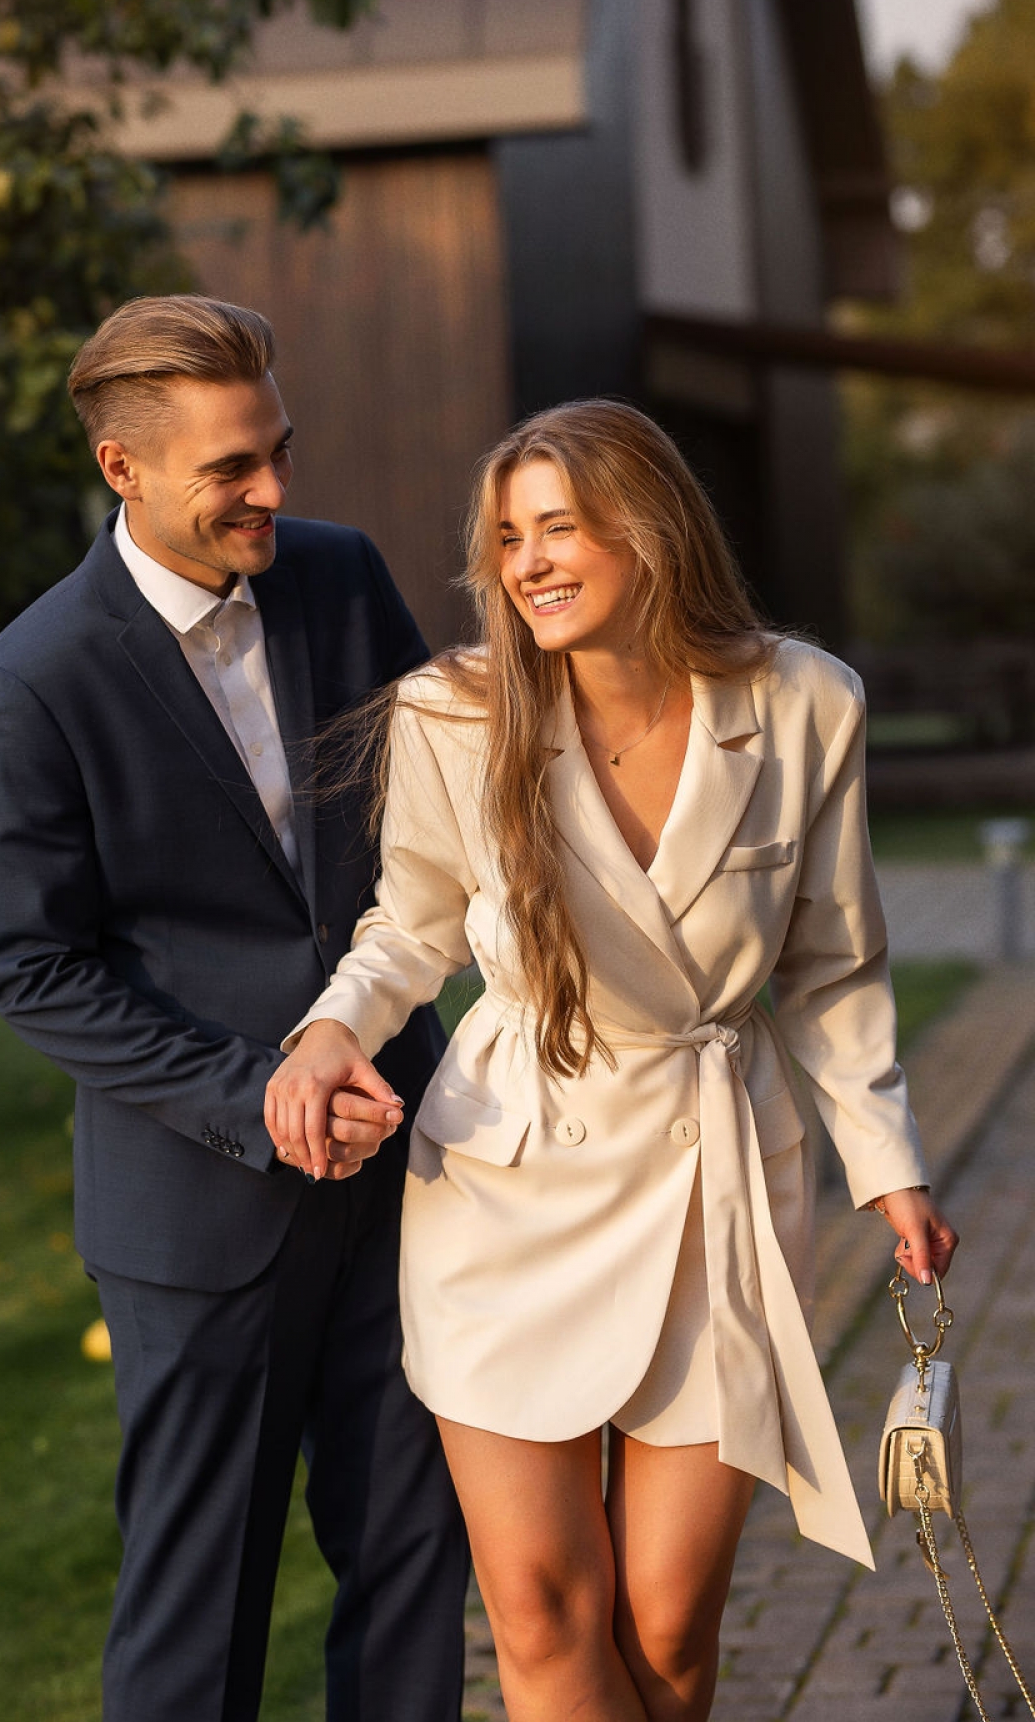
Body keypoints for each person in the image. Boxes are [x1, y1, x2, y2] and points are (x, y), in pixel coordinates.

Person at [267, 398, 959, 1722]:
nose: (524, 563)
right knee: (537, 1614)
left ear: (650, 534)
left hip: (718, 1198)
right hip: (507, 1200)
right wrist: (327, 1032)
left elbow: (833, 963)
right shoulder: (454, 715)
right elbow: (405, 929)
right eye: (508, 538)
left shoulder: (805, 703)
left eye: (559, 529)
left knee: (668, 1627)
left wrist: (889, 1167)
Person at [0, 294, 468, 1722]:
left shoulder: (345, 581)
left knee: (419, 1567)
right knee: (198, 1618)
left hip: (406, 1178)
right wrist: (264, 1094)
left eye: (278, 450)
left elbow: (451, 825)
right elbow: (36, 971)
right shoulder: (29, 684)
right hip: (196, 1217)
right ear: (122, 468)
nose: (274, 492)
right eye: (232, 468)